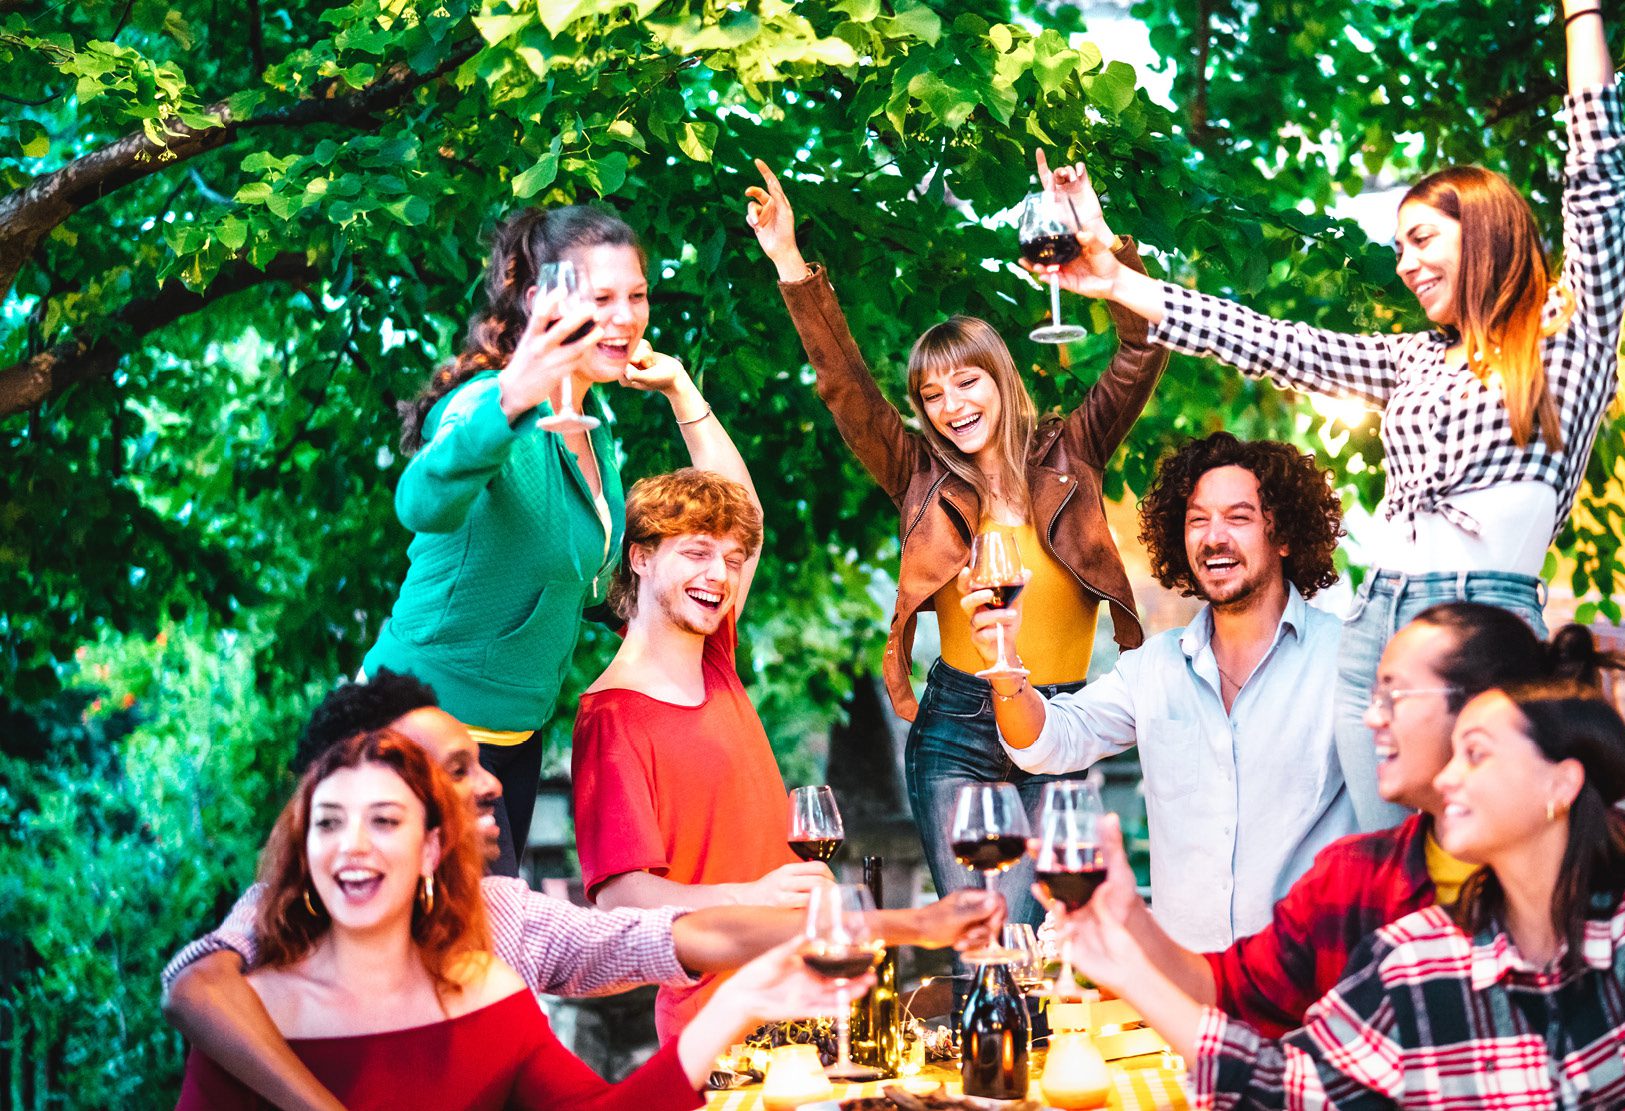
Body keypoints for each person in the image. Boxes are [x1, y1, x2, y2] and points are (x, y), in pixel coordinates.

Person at [1034, 0, 1625, 835]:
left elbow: (1597, 182)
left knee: (1490, 844)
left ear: (1485, 230)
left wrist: (1581, 15)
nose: (1405, 263)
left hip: (1483, 621)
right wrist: (1118, 284)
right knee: (1385, 857)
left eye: (1421, 239)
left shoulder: (1566, 338)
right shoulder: (1412, 358)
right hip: (1373, 622)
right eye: (1396, 247)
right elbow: (1275, 343)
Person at [164, 672, 1002, 1111]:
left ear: (426, 846)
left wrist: (894, 927)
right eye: (451, 771)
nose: (488, 786)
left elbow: (661, 936)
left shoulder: (492, 943)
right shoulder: (268, 939)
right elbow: (193, 983)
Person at [744, 154, 1170, 926]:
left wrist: (1097, 237)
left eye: (965, 382)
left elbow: (1141, 350)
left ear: (1000, 379)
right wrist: (787, 260)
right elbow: (846, 388)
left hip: (1060, 719)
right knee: (987, 935)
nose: (949, 405)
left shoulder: (1073, 450)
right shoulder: (915, 475)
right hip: (959, 728)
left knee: (1056, 939)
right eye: (930, 394)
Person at [1066, 658, 1625, 1107]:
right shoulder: (1412, 962)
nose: (1448, 778)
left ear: (1560, 785)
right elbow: (1283, 1086)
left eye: (1476, 755)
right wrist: (1128, 967)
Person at [364, 205, 730, 876]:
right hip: (421, 724)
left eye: (637, 296)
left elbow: (584, 583)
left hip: (515, 738)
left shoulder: (594, 432)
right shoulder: (484, 404)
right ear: (542, 301)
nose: (625, 316)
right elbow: (420, 502)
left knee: (487, 960)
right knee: (472, 961)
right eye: (602, 298)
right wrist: (510, 398)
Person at [972, 432, 1357, 949]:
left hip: (1315, 978)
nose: (1214, 537)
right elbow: (1046, 744)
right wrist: (1004, 663)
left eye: (1238, 518)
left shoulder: (1347, 660)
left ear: (1282, 535)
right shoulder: (1154, 667)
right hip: (1189, 994)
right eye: (1198, 519)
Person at [571, 465, 848, 1039]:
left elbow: (750, 511)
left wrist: (680, 387)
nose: (719, 574)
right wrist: (751, 896)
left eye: (731, 558)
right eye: (697, 552)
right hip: (719, 1022)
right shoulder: (610, 719)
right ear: (641, 557)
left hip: (801, 991)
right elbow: (622, 898)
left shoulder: (712, 655)